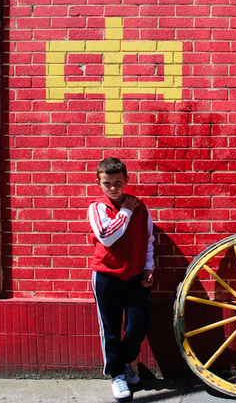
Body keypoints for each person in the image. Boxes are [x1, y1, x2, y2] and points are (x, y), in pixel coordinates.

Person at [88, 157, 154, 402]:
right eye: (107, 183)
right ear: (99, 183)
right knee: (111, 330)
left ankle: (124, 361)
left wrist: (148, 266)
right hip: (106, 277)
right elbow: (106, 237)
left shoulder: (141, 206)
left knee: (138, 327)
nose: (113, 188)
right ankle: (116, 373)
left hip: (134, 276)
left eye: (118, 182)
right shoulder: (97, 207)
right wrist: (126, 210)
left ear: (127, 180)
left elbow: (148, 239)